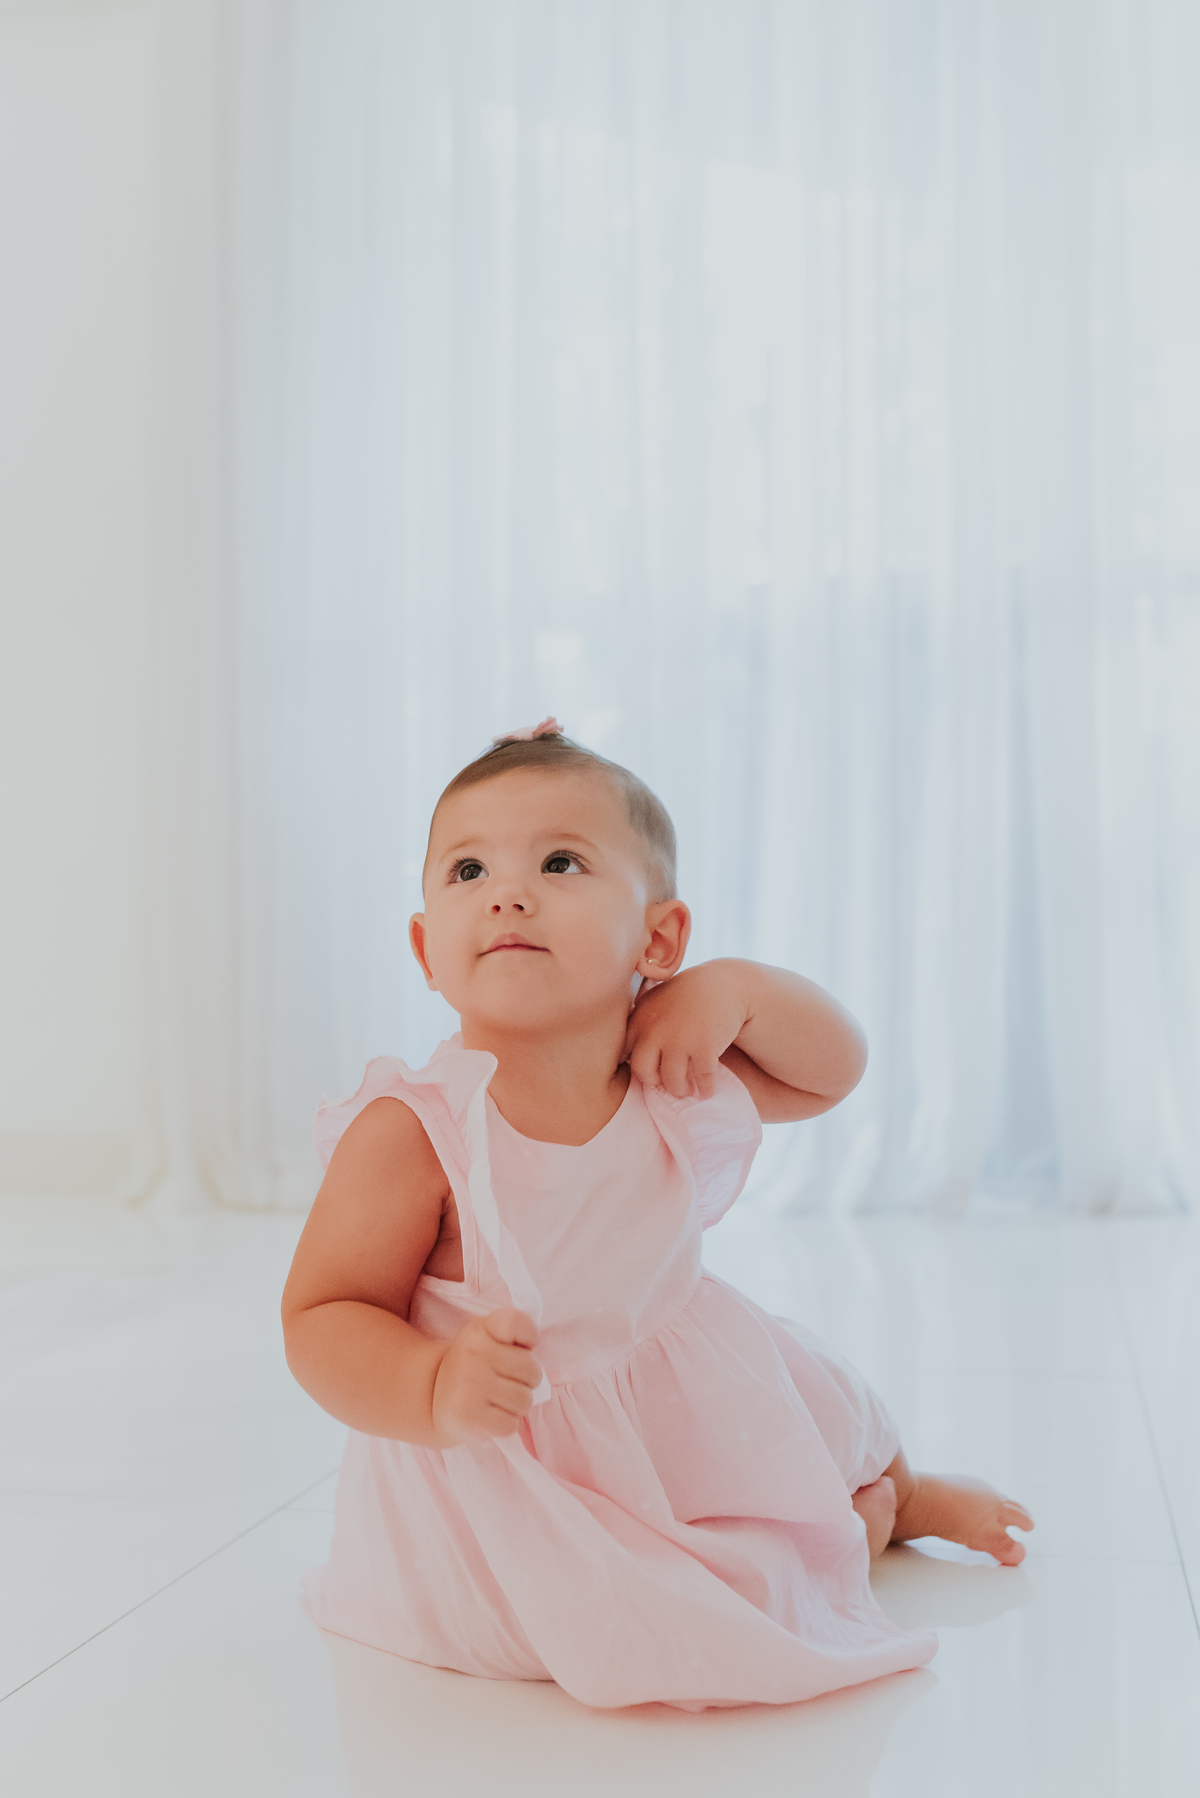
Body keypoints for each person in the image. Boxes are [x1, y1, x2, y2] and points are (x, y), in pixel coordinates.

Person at [282, 719, 1034, 1711]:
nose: (507, 891)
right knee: (638, 1619)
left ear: (659, 937)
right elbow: (323, 1312)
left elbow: (833, 1072)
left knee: (822, 1397)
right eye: (467, 869)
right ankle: (852, 1524)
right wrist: (431, 1386)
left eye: (559, 861)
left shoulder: (664, 1063)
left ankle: (902, 1492)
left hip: (671, 1375)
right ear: (427, 948)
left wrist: (739, 991)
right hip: (510, 1447)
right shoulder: (417, 1132)